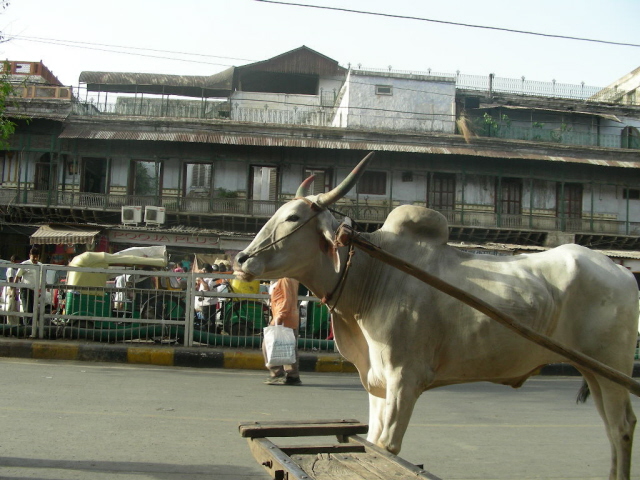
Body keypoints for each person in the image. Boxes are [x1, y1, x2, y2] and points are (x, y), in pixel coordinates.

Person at [263, 277, 302, 386]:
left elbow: (286, 300)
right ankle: (293, 375)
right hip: (289, 318)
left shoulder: (285, 279)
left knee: (268, 344)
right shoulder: (290, 278)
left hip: (284, 318)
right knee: (289, 347)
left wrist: (279, 318)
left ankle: (277, 373)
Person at [14, 247, 43, 325]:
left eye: (37, 257)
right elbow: (17, 277)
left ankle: (32, 328)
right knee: (27, 309)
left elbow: (42, 279)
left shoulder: (41, 266)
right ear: (30, 255)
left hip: (35, 290)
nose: (35, 259)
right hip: (26, 289)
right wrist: (13, 290)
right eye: (34, 257)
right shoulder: (25, 264)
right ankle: (28, 329)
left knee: (34, 310)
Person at [195, 263, 219, 330]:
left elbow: (207, 288)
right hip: (204, 302)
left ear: (207, 270)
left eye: (204, 270)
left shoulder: (211, 278)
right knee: (206, 320)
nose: (202, 272)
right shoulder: (205, 278)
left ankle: (210, 334)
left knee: (209, 320)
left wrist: (201, 279)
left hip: (209, 303)